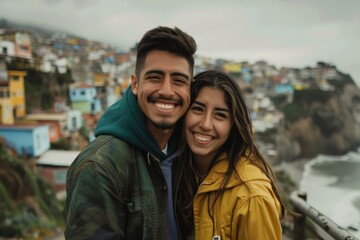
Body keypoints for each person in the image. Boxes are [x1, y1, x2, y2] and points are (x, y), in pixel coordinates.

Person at [64, 26, 197, 240]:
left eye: (179, 80)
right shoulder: (99, 167)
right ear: (135, 84)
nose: (166, 91)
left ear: (190, 88)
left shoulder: (193, 153)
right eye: (155, 77)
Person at [176, 70, 286, 239]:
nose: (205, 124)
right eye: (198, 109)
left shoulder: (252, 197)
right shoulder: (173, 171)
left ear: (233, 126)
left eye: (220, 115)